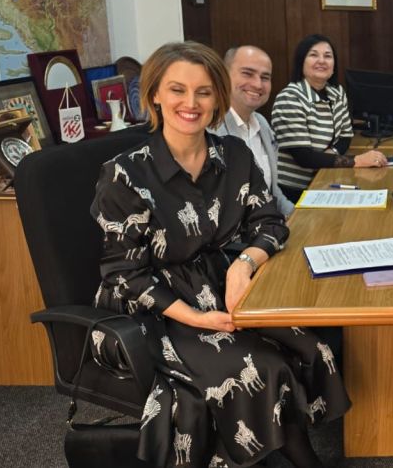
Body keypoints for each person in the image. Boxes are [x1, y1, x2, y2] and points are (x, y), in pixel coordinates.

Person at [90, 41, 348, 468]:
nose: (191, 103)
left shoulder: (234, 155)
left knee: (310, 345)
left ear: (217, 99)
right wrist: (195, 318)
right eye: (177, 90)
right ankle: (301, 459)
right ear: (155, 95)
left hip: (215, 282)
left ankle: (284, 449)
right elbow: (125, 274)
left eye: (204, 92)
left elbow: (270, 222)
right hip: (151, 308)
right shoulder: (125, 173)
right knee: (260, 366)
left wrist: (245, 263)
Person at [270, 34, 388, 201]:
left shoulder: (337, 93)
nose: (322, 61)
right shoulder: (289, 98)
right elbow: (304, 157)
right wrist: (357, 160)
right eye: (313, 55)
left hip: (326, 178)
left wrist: (330, 154)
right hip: (296, 190)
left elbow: (345, 137)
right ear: (301, 62)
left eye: (327, 56)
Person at [212, 45, 293, 217]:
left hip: (268, 223)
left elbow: (273, 193)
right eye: (247, 74)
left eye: (265, 77)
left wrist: (298, 218)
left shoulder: (262, 124)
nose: (257, 84)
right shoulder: (211, 129)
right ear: (224, 76)